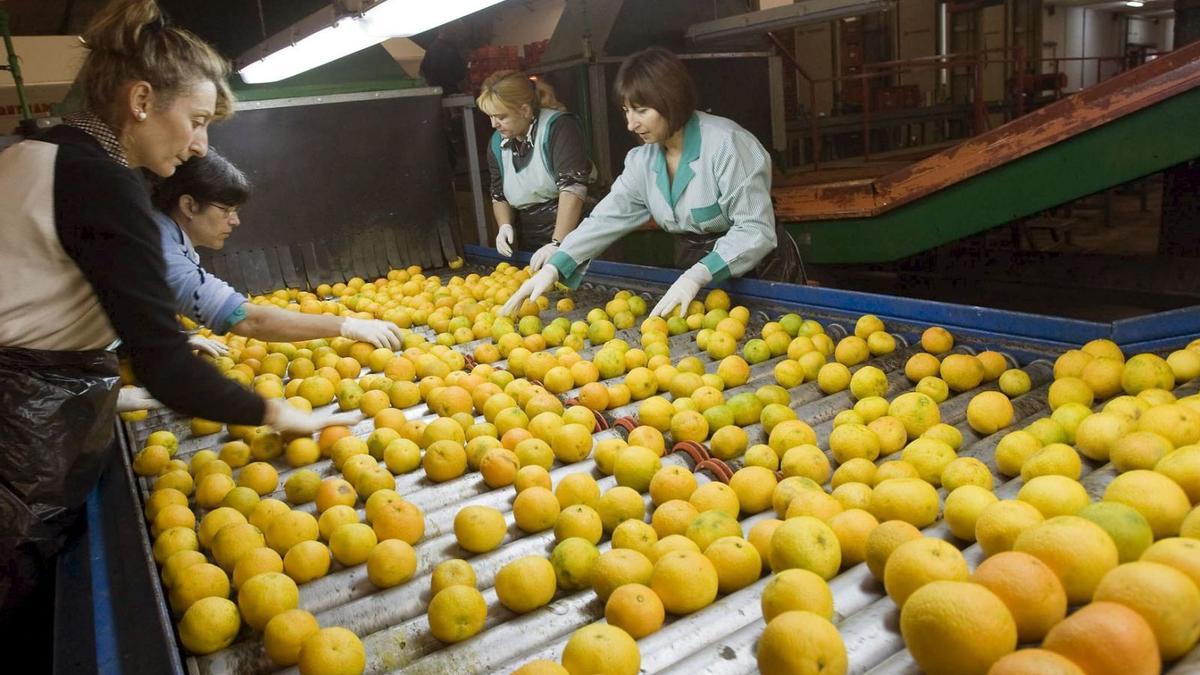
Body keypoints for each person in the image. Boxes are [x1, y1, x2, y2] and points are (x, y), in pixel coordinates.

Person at [0, 0, 350, 657]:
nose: (198, 145)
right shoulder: (104, 184)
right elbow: (167, 370)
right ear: (139, 101)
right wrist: (275, 411)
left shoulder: (36, 147)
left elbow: (54, 285)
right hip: (19, 436)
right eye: (194, 122)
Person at [502, 47, 804, 318]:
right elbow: (606, 218)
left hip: (762, 274)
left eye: (641, 110)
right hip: (698, 275)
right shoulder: (642, 161)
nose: (631, 124)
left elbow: (755, 229)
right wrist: (558, 263)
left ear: (671, 101)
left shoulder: (728, 145)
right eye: (626, 111)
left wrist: (698, 275)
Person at [149, 150, 404, 352]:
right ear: (189, 206)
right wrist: (347, 325)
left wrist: (170, 340)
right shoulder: (161, 250)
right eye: (226, 211)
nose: (235, 221)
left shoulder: (163, 232)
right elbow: (251, 321)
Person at [478, 70, 593, 270]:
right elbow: (498, 194)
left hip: (577, 236)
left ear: (524, 110)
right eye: (490, 117)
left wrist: (558, 243)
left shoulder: (559, 127)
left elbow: (572, 189)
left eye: (501, 117)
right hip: (530, 239)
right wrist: (504, 225)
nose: (494, 124)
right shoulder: (497, 143)